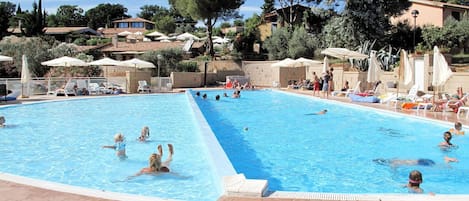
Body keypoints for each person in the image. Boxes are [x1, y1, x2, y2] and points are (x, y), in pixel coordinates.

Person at [373, 156, 458, 167]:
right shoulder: (394, 159)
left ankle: (447, 162)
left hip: (420, 163)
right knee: (437, 165)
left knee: (439, 167)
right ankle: (447, 160)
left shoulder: (393, 163)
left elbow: (394, 170)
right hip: (421, 160)